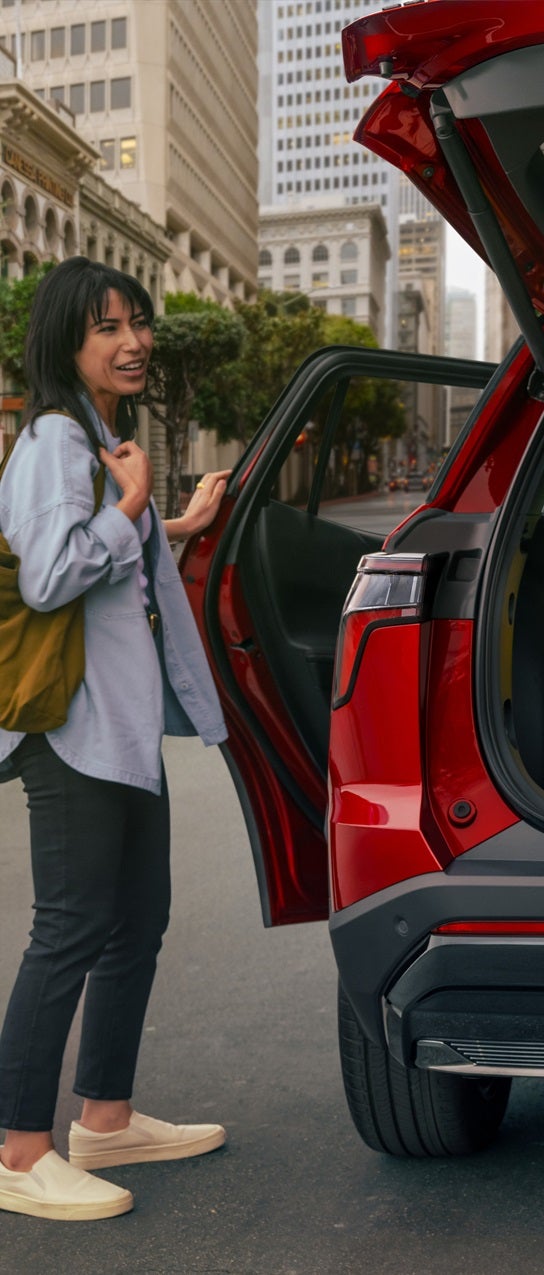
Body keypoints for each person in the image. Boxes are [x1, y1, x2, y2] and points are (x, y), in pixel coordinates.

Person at [0, 259, 232, 1221]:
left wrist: (170, 521)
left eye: (138, 322)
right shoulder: (56, 437)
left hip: (123, 729)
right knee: (71, 930)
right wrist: (134, 509)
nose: (134, 341)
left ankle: (105, 1115)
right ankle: (17, 1151)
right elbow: (52, 573)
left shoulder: (94, 437)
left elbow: (110, 566)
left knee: (136, 921)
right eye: (108, 328)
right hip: (75, 731)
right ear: (67, 344)